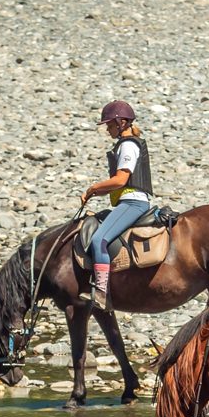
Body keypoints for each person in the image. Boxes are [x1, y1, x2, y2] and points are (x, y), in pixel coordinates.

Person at [80, 100, 153, 309]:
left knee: (99, 240)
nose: (107, 129)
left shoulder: (128, 146)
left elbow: (121, 180)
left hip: (133, 203)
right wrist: (96, 193)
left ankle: (102, 292)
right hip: (127, 200)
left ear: (122, 123)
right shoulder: (125, 144)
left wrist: (93, 188)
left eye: (110, 125)